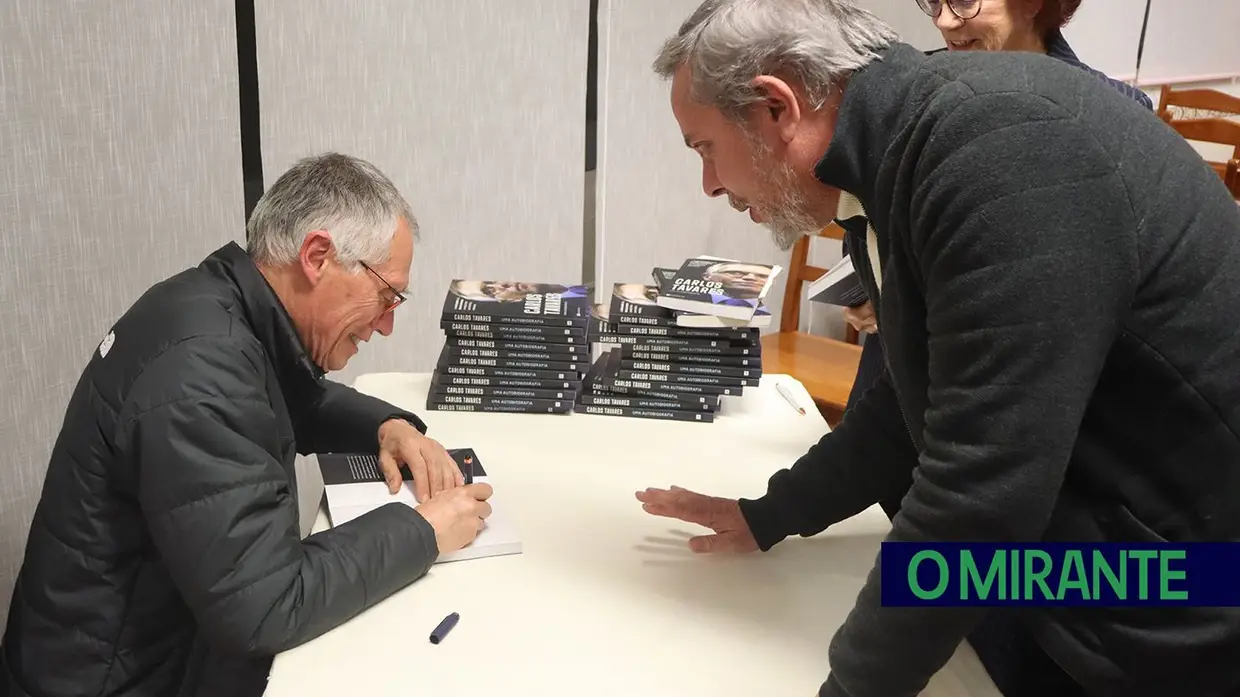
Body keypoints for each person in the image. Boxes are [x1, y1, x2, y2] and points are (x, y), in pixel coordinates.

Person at [637, 1, 1240, 696]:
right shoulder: (897, 153)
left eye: (704, 148)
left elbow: (980, 491)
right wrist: (771, 513)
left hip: (1187, 593)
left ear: (777, 107)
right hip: (1075, 559)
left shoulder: (999, 150)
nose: (709, 183)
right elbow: (915, 394)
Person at [1, 153, 493, 697]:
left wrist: (386, 427)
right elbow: (264, 606)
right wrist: (424, 531)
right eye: (387, 295)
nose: (387, 323)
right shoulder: (199, 371)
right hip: (115, 680)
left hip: (146, 649)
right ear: (318, 256)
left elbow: (285, 401)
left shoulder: (213, 308)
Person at [842, 0, 1153, 418]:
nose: (944, 21)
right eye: (933, 1)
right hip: (902, 379)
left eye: (965, 2)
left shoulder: (1116, 109)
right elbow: (866, 209)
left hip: (1027, 384)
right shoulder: (907, 88)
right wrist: (869, 288)